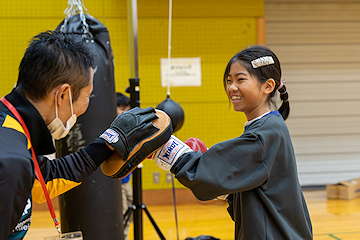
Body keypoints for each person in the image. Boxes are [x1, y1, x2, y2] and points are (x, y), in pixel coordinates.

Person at [0, 30, 159, 240]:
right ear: (63, 94)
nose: (87, 104)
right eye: (87, 96)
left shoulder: (13, 129)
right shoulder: (11, 163)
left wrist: (107, 144)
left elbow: (43, 180)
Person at [151, 45, 313, 239]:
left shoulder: (264, 134)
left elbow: (203, 174)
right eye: (229, 81)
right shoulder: (267, 127)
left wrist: (165, 148)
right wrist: (228, 193)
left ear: (268, 86)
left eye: (240, 79)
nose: (232, 87)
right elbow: (256, 193)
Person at [116, 92, 132, 240]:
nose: (124, 113)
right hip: (116, 182)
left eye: (127, 110)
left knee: (132, 207)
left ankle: (125, 233)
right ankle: (123, 236)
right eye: (121, 109)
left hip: (127, 180)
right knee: (122, 210)